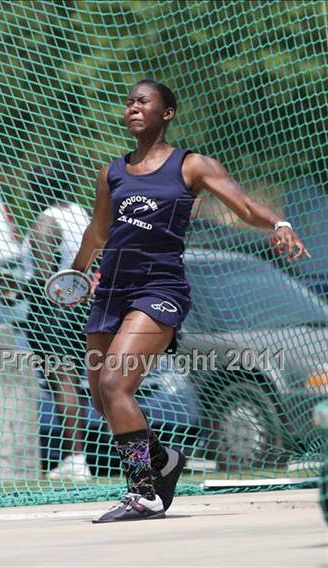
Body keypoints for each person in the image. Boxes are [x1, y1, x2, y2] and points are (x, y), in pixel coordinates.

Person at [67, 78, 311, 523]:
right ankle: (163, 461)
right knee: (103, 401)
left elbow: (243, 206)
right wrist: (74, 274)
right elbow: (98, 233)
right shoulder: (112, 172)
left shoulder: (191, 165)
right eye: (129, 102)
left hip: (159, 288)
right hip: (112, 290)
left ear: (167, 113)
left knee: (115, 385)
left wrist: (279, 221)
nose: (133, 107)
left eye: (144, 101)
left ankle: (145, 493)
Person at [21, 166, 93, 482]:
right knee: (75, 382)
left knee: (63, 381)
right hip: (83, 308)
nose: (25, 194)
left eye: (29, 187)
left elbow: (44, 277)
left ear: (39, 190)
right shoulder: (83, 215)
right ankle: (77, 458)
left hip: (53, 313)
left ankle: (76, 458)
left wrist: (13, 288)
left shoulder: (45, 222)